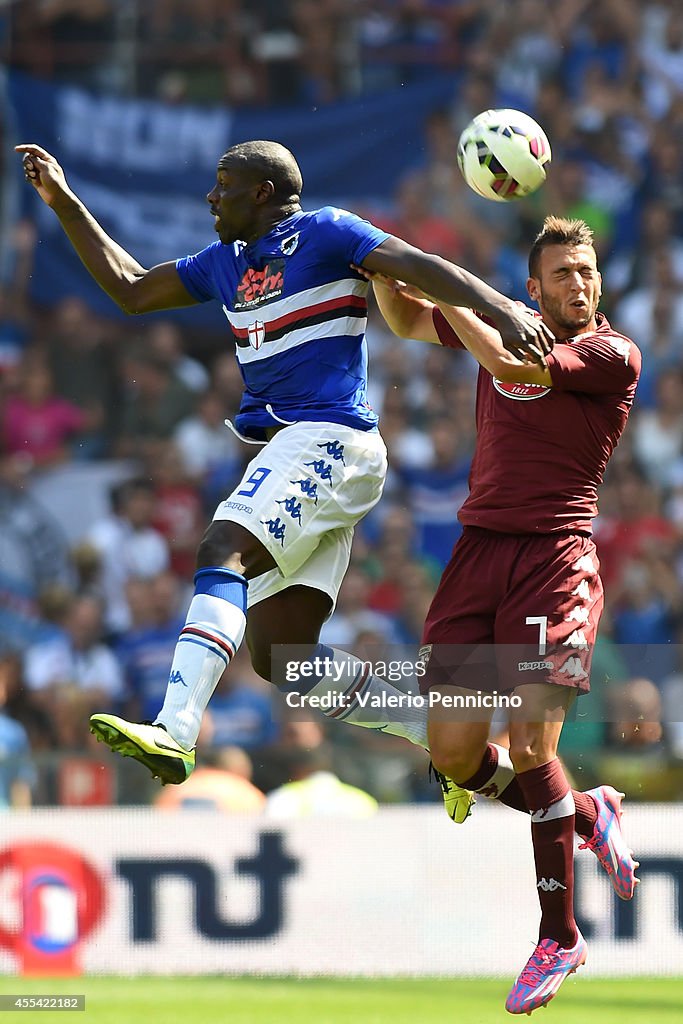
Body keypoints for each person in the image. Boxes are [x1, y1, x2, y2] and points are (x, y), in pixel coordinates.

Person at [16, 139, 551, 808]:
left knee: (221, 549)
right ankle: (453, 745)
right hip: (305, 454)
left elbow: (418, 265)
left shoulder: (326, 233)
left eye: (224, 186)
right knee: (282, 660)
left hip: (329, 439)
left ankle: (175, 729)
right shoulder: (223, 264)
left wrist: (501, 309)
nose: (212, 198)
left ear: (262, 193)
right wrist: (65, 203)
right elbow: (129, 289)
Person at [362, 217, 640, 1014]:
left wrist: (452, 290)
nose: (577, 285)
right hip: (477, 554)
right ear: (534, 285)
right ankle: (588, 810)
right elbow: (407, 320)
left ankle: (559, 934)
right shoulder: (504, 321)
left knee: (526, 745)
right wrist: (383, 265)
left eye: (584, 271)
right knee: (453, 755)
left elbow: (508, 356)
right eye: (561, 275)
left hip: (553, 561)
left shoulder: (609, 353)